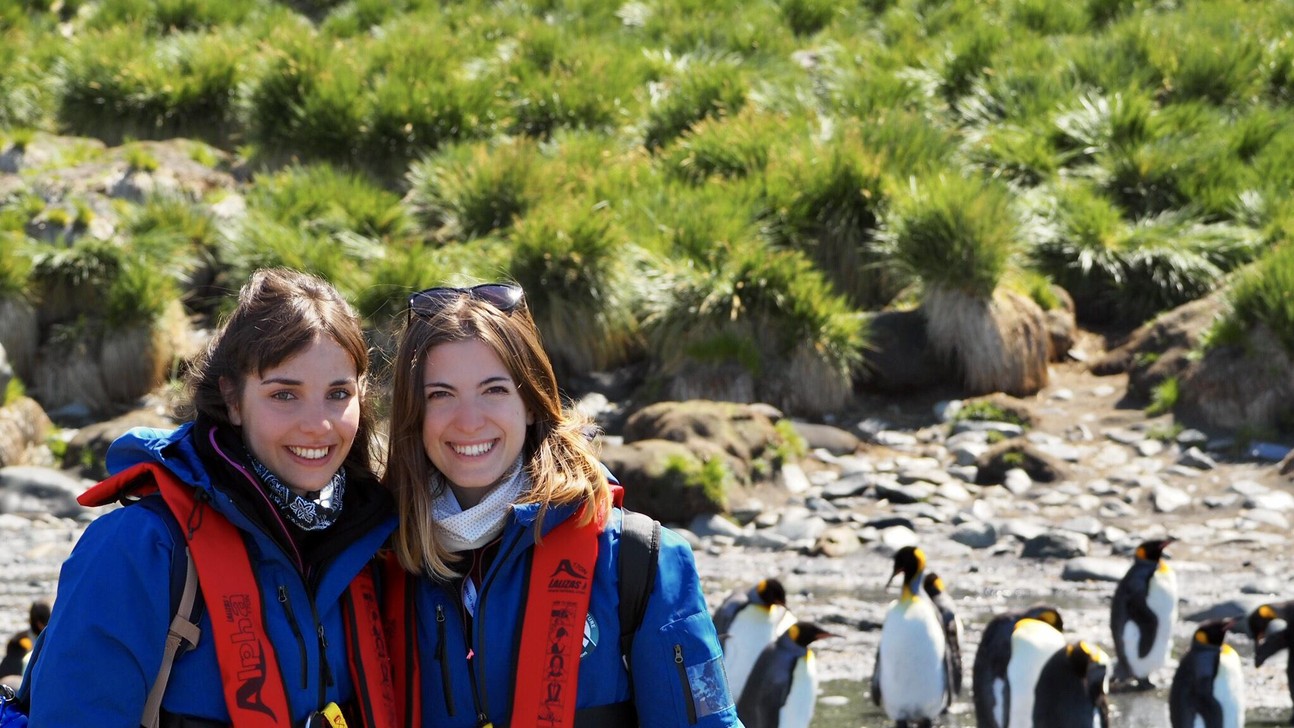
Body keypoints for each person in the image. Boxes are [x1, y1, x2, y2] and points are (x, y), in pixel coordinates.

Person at [23, 268, 397, 726]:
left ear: (361, 394)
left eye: (338, 393)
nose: (318, 425)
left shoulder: (379, 545)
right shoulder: (140, 548)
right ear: (232, 399)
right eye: (284, 395)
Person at [383, 282, 741, 727]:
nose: (469, 421)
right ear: (414, 413)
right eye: (441, 394)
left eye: (494, 390)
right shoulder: (380, 561)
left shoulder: (639, 561)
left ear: (531, 404)